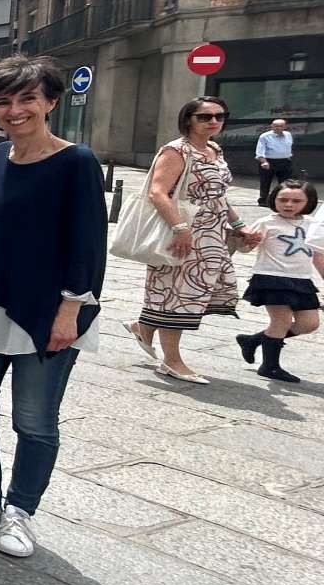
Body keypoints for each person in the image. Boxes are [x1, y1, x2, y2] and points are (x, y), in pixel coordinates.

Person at [0, 56, 107, 559]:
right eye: (3, 101)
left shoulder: (76, 162)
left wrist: (70, 313)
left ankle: (21, 511)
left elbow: (89, 245)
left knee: (34, 421)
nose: (15, 109)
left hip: (48, 309)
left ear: (51, 101)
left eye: (27, 98)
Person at [125, 96, 258, 384]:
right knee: (179, 295)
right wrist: (181, 228)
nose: (213, 121)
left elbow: (219, 195)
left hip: (212, 234)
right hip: (184, 233)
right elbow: (157, 192)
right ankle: (171, 361)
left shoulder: (214, 149)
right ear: (188, 119)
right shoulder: (176, 151)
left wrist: (238, 225)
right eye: (205, 116)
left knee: (191, 292)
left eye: (219, 116)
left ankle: (143, 326)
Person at [237, 179, 323, 382]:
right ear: (273, 199)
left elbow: (319, 255)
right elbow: (244, 248)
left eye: (296, 201)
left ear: (309, 202)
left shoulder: (313, 225)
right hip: (270, 278)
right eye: (283, 199)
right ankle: (270, 366)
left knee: (309, 324)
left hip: (301, 280)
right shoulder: (267, 222)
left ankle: (253, 340)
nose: (288, 204)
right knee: (281, 321)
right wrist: (247, 241)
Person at [256, 117, 295, 206]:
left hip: (285, 162)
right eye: (276, 126)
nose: (278, 128)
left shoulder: (288, 134)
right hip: (269, 162)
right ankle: (263, 200)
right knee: (265, 182)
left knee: (286, 183)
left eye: (281, 126)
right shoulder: (265, 136)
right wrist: (263, 161)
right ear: (272, 126)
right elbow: (259, 151)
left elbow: (288, 147)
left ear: (285, 127)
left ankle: (283, 199)